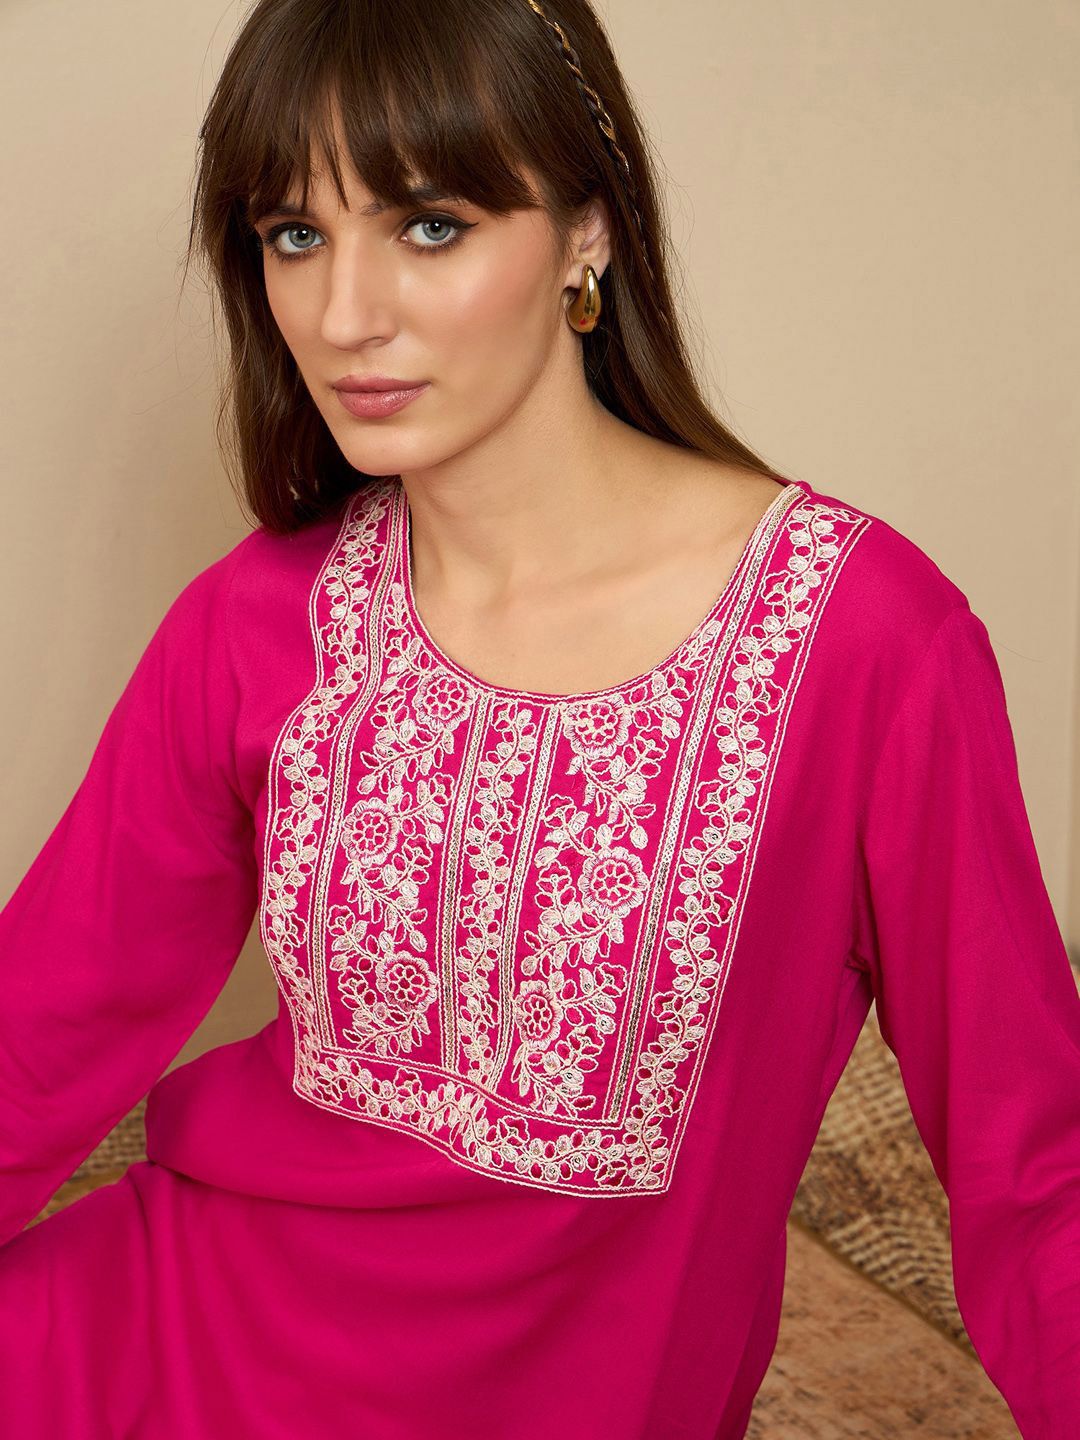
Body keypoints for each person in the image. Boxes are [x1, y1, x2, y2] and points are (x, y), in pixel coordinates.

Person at [1, 0, 1077, 1435]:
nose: (343, 314)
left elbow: (1034, 1173)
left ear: (588, 231)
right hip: (159, 1347)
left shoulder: (863, 641)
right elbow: (35, 1034)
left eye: (429, 225)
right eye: (295, 234)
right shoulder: (257, 621)